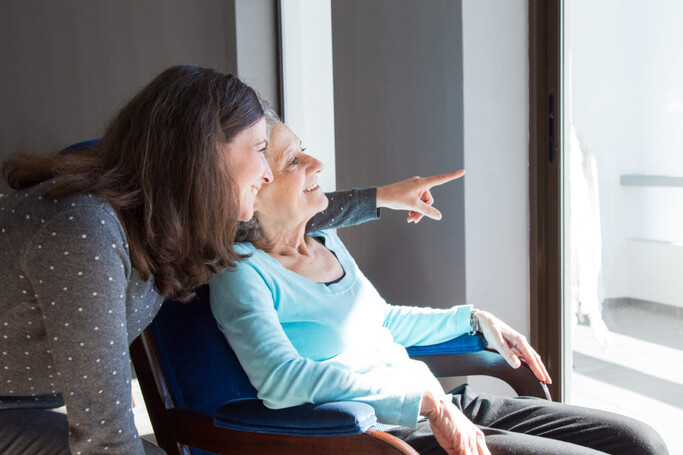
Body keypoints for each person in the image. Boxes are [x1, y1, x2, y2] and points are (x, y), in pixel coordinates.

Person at [0, 64, 459, 455]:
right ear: (204, 153)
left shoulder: (174, 222)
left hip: (23, 402)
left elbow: (279, 210)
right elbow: (104, 433)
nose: (266, 172)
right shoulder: (86, 231)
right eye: (261, 150)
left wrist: (381, 199)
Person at [210, 120, 668, 455]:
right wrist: (426, 402)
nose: (317, 163)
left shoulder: (324, 240)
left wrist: (473, 319)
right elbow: (281, 382)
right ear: (256, 188)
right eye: (294, 161)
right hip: (388, 435)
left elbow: (382, 321)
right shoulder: (243, 274)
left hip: (440, 403)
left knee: (641, 443)